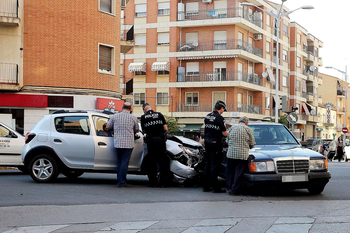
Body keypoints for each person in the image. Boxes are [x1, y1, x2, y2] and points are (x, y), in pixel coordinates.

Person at [106, 102, 139, 187]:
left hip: (118, 143)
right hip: (128, 144)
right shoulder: (133, 118)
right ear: (130, 109)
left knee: (119, 162)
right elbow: (137, 130)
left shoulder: (114, 116)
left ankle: (119, 180)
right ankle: (122, 182)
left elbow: (108, 127)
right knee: (125, 162)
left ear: (122, 108)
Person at [226, 116, 256, 196]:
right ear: (246, 123)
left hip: (231, 154)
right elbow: (252, 143)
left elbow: (227, 140)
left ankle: (229, 188)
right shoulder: (248, 129)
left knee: (230, 172)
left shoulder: (232, 128)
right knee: (238, 173)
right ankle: (234, 190)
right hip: (241, 155)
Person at [203, 100, 228, 193]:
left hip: (207, 141)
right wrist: (231, 134)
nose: (223, 111)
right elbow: (224, 133)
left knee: (208, 164)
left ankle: (206, 186)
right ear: (221, 108)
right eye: (223, 110)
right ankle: (215, 187)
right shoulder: (220, 118)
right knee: (215, 165)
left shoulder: (207, 116)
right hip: (215, 143)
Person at [141, 103, 168, 187]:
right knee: (163, 161)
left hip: (151, 141)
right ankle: (163, 182)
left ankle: (153, 182)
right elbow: (165, 128)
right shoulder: (159, 114)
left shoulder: (143, 117)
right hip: (160, 140)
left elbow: (144, 131)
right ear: (151, 108)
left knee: (152, 161)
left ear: (144, 110)